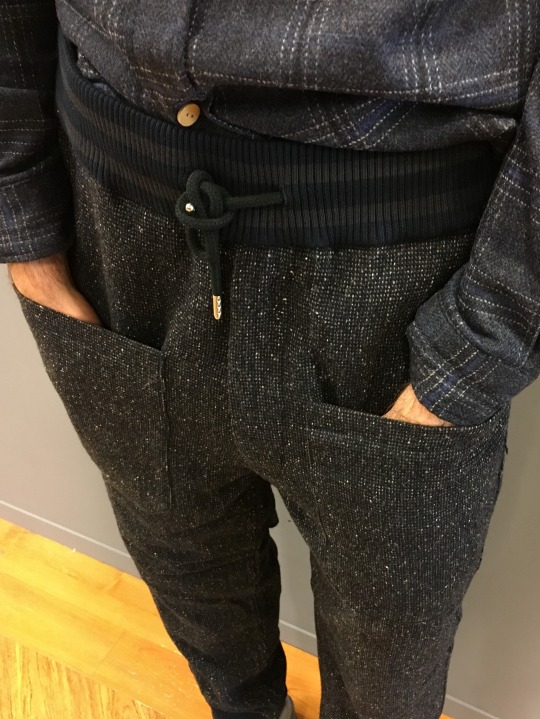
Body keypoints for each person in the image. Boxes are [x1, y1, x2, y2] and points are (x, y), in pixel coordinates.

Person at [1, 3, 538, 718]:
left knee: (388, 676)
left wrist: (481, 341)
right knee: (194, 591)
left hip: (403, 274)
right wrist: (26, 227)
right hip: (118, 239)